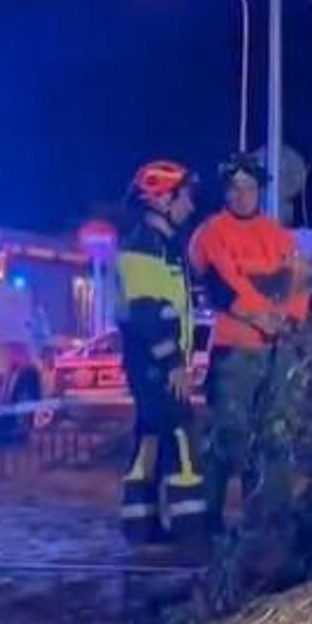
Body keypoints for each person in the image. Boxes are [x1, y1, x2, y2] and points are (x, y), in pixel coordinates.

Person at [188, 153, 310, 532]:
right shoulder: (210, 235)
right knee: (227, 436)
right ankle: (208, 522)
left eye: (249, 187)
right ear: (224, 192)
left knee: (275, 437)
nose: (242, 195)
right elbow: (222, 286)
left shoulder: (278, 236)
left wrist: (288, 320)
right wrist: (260, 315)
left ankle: (268, 523)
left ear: (260, 190)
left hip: (277, 352)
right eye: (235, 188)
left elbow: (299, 282)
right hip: (234, 353)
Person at [116, 159, 207, 548]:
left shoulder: (163, 247)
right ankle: (192, 533)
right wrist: (173, 364)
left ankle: (140, 526)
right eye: (185, 196)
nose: (191, 205)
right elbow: (149, 312)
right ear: (162, 201)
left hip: (152, 362)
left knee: (150, 440)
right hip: (155, 364)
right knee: (182, 439)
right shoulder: (144, 248)